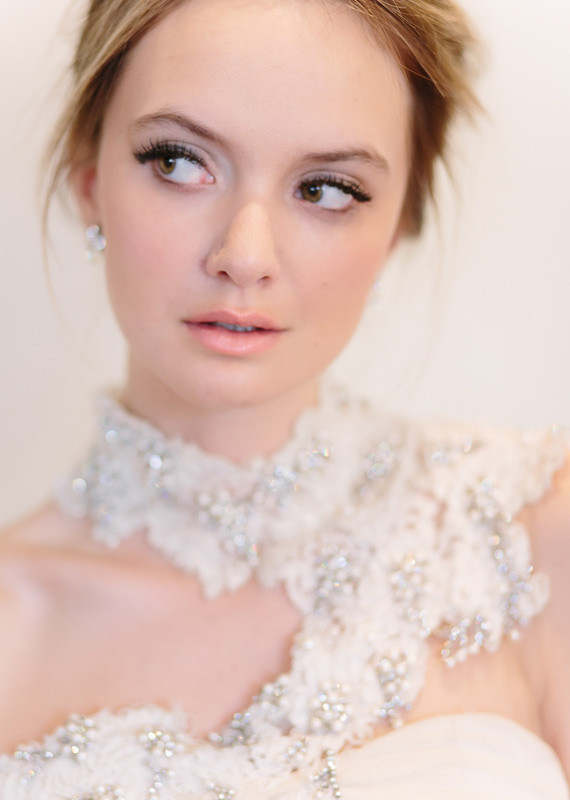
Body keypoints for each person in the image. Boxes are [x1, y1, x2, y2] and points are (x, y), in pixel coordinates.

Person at [0, 0, 568, 797]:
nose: (245, 255)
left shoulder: (525, 537)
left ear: (398, 224)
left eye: (328, 189)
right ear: (89, 180)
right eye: (179, 162)